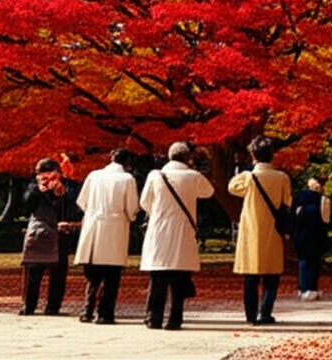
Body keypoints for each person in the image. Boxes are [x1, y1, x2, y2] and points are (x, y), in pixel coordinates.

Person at [140, 142, 215, 330]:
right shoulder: (193, 176)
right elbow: (209, 192)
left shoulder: (155, 176)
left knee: (157, 277)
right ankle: (175, 318)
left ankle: (153, 317)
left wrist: (159, 211)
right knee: (179, 277)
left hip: (159, 229)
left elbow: (144, 203)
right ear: (188, 158)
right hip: (183, 230)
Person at [229, 136, 292, 325]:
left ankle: (250, 316)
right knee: (272, 276)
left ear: (253, 155)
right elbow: (287, 202)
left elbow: (232, 187)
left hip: (251, 230)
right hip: (273, 230)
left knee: (251, 276)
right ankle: (265, 313)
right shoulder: (282, 178)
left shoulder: (248, 178)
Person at [73, 148, 140, 324]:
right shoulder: (127, 179)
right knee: (111, 274)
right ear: (128, 164)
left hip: (93, 226)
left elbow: (82, 202)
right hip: (115, 228)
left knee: (93, 274)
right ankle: (104, 313)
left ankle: (86, 310)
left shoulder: (93, 175)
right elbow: (131, 208)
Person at [19, 158, 70, 315]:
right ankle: (39, 306)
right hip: (47, 232)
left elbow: (26, 206)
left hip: (49, 232)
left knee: (49, 272)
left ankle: (42, 306)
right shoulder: (36, 189)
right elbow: (27, 206)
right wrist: (45, 190)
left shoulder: (63, 189)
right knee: (42, 272)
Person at [292, 176, 330, 301]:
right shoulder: (323, 200)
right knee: (313, 262)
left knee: (303, 261)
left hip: (299, 235)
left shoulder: (298, 199)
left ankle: (302, 289)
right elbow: (326, 219)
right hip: (315, 235)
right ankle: (311, 288)